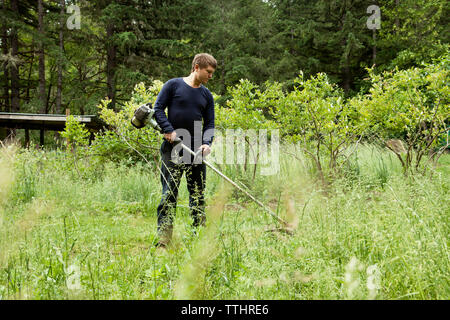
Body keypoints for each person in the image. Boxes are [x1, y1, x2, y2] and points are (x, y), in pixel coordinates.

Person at [153, 53, 217, 249]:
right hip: (172, 148)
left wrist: (207, 143)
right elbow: (157, 109)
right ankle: (164, 239)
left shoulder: (206, 95)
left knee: (197, 194)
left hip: (196, 151)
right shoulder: (173, 85)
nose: (210, 76)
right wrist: (168, 130)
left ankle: (198, 236)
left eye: (212, 73)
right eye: (208, 72)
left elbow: (210, 123)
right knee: (169, 193)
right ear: (197, 67)